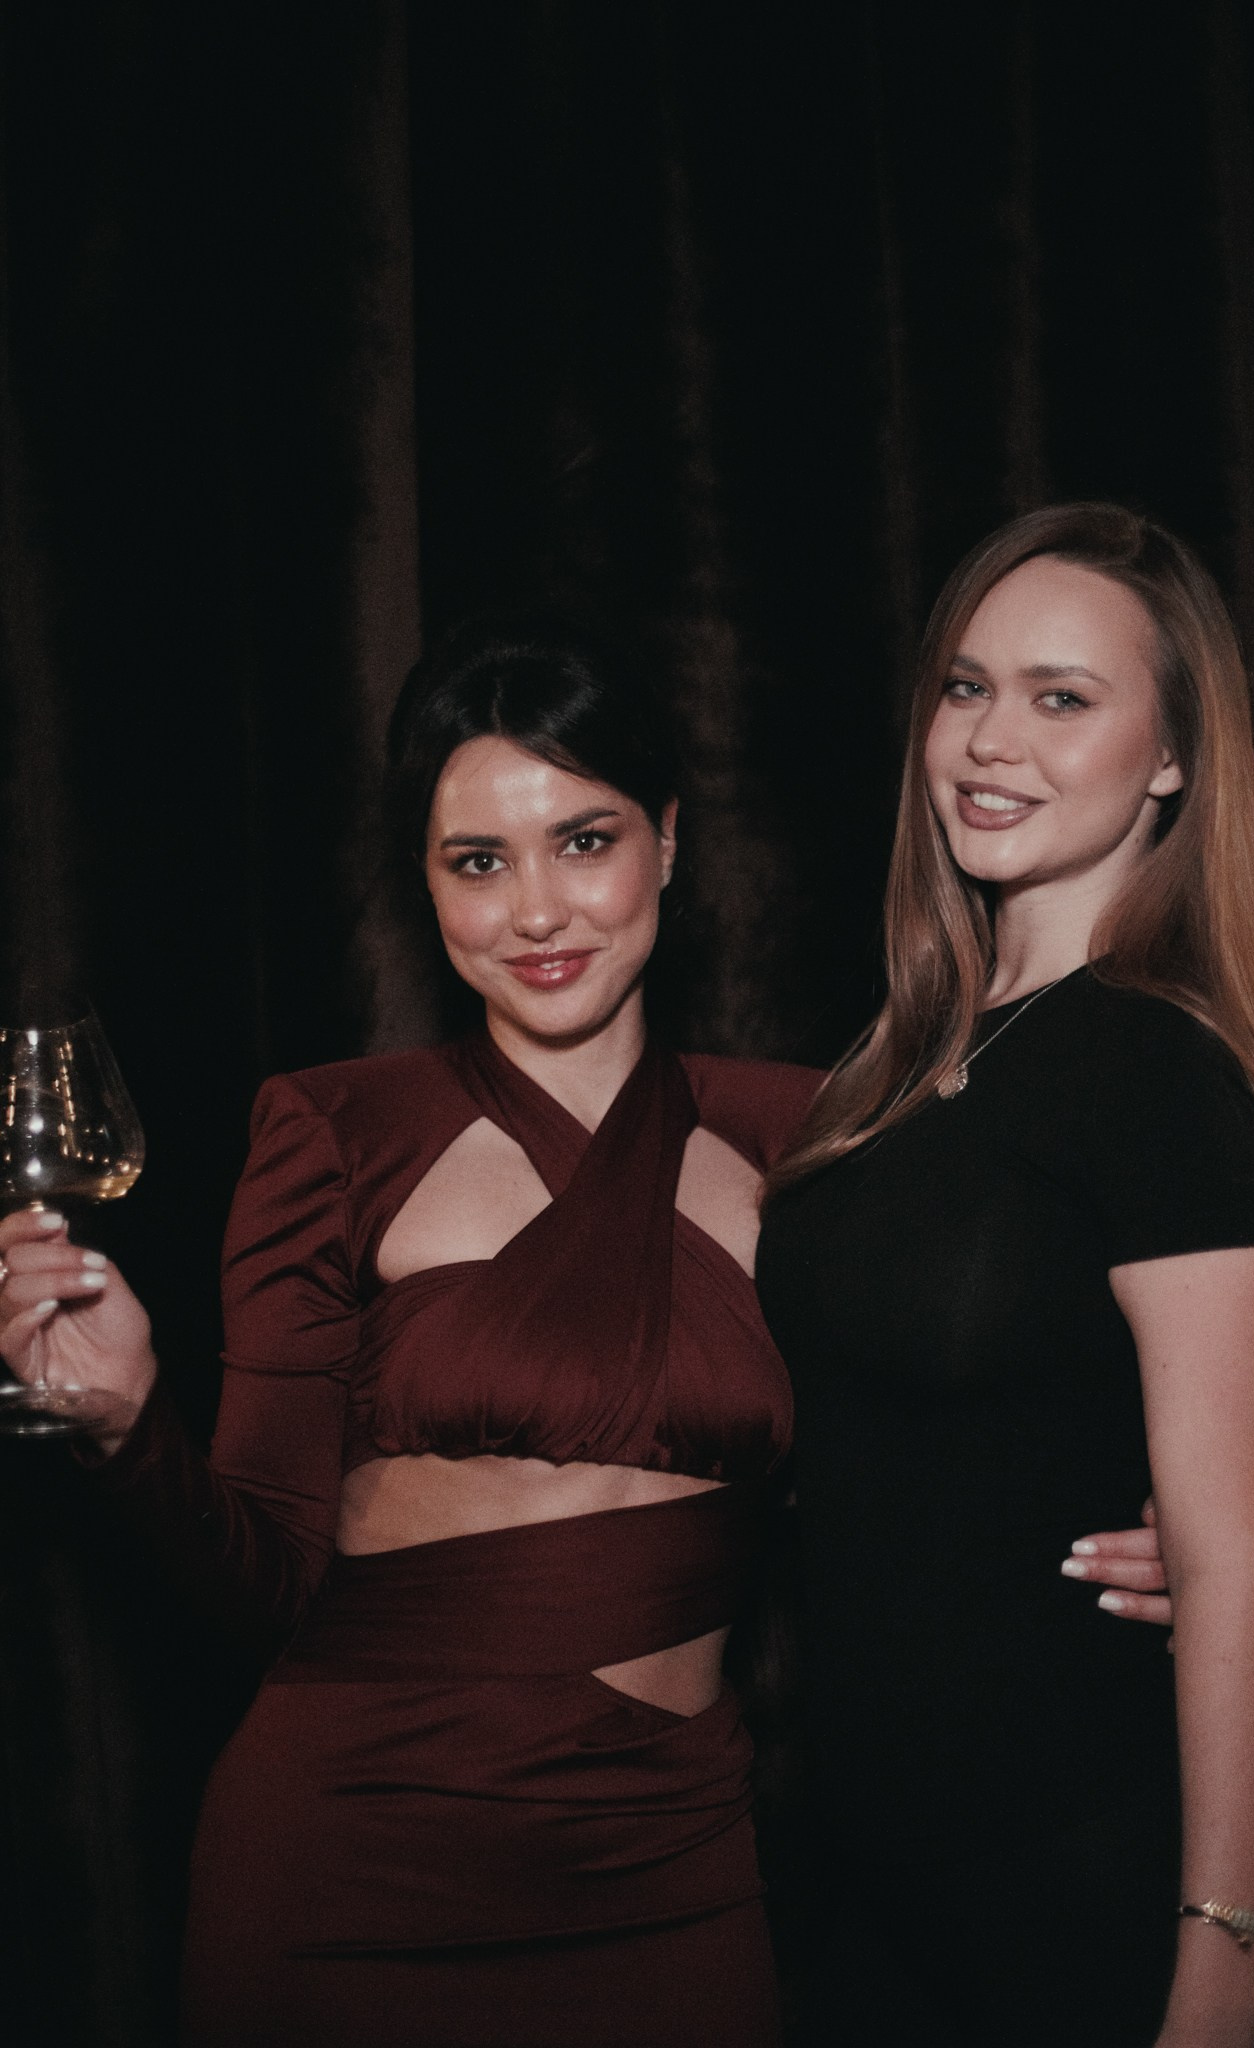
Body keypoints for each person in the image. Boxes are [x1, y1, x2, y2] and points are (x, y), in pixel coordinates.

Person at [0, 615, 1170, 2048]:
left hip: (673, 1869)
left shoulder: (815, 1133)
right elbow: (268, 1587)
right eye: (477, 862)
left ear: (667, 842)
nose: (538, 912)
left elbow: (942, 1449)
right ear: (423, 880)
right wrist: (128, 1431)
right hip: (347, 1857)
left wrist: (1142, 1529)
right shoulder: (334, 1131)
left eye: (585, 840)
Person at [755, 503, 1254, 2047]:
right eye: (965, 686)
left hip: (1073, 1882)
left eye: (1059, 698)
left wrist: (1220, 1957)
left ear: (1171, 758)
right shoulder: (897, 1068)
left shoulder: (1161, 1077)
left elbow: (1232, 1569)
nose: (987, 741)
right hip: (867, 1891)